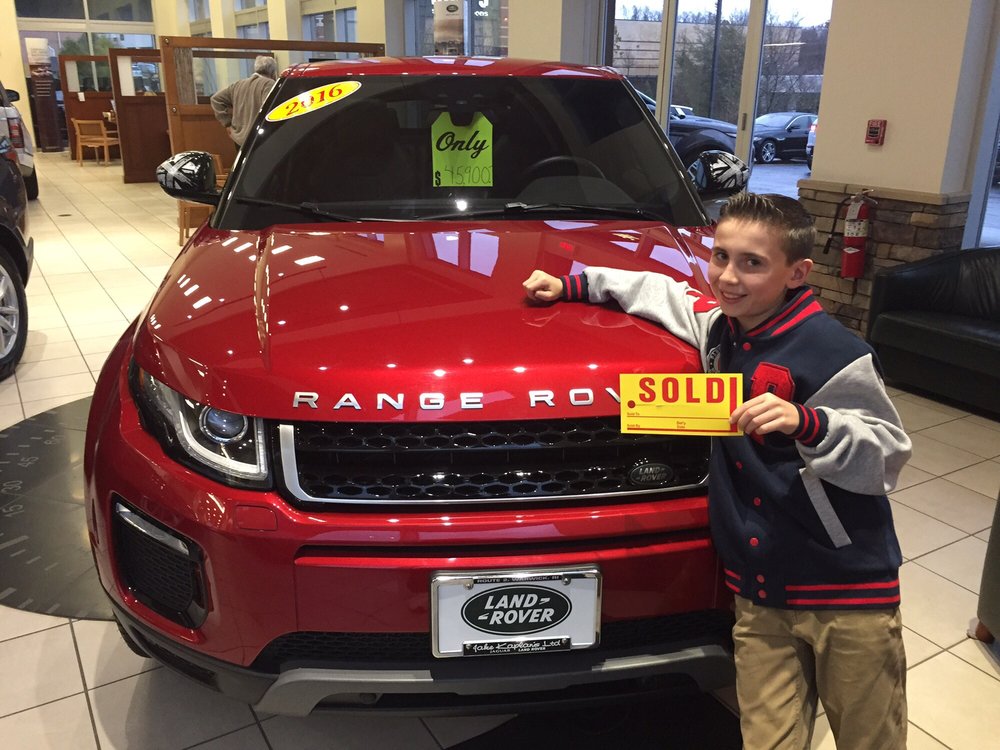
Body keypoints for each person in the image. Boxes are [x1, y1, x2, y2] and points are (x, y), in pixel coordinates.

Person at [523, 192, 911, 750]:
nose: (728, 277)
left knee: (868, 738)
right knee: (766, 738)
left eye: (752, 263)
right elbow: (659, 291)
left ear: (797, 273)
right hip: (758, 592)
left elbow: (888, 457)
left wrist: (810, 424)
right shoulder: (721, 331)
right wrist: (573, 284)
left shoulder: (836, 352)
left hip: (845, 591)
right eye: (721, 256)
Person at [210, 55, 277, 146]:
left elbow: (215, 99)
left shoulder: (238, 85)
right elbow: (270, 108)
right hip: (258, 137)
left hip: (237, 137)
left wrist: (227, 123)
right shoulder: (269, 84)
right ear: (273, 72)